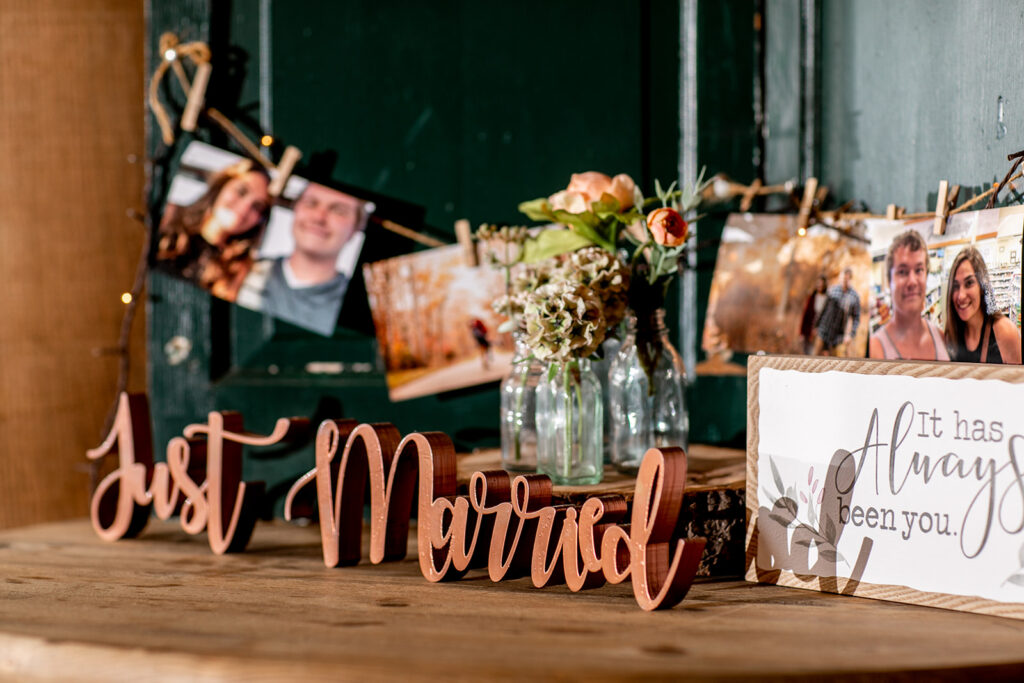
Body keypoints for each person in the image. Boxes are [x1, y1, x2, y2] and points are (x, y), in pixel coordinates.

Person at [238, 182, 369, 336]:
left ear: (355, 229)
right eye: (311, 203)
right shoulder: (239, 273)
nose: (319, 217)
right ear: (295, 209)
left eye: (338, 210)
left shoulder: (361, 311)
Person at [156, 159, 271, 302]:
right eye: (241, 191)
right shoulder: (168, 217)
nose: (244, 208)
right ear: (222, 186)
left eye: (257, 206)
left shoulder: (240, 268)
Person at [869, 229, 950, 360]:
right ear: (889, 281)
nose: (912, 281)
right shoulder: (875, 349)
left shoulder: (940, 338)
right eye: (902, 272)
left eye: (919, 270)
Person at [943, 246, 1022, 364]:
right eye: (955, 286)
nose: (961, 295)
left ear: (982, 287)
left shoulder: (1005, 332)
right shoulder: (951, 336)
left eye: (969, 283)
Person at [813, 267, 861, 356]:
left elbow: (856, 318)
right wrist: (816, 325)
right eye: (842, 278)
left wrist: (851, 335)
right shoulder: (832, 290)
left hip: (837, 337)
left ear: (850, 279)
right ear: (839, 277)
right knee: (814, 359)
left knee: (833, 364)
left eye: (846, 279)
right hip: (823, 331)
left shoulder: (854, 297)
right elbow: (824, 309)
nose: (843, 280)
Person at [798, 274, 828, 354]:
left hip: (820, 332)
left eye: (822, 284)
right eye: (818, 284)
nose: (820, 286)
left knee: (815, 354)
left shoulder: (827, 299)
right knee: (806, 353)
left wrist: (818, 328)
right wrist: (801, 332)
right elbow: (805, 315)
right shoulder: (812, 297)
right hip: (808, 330)